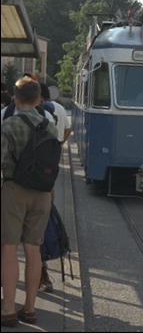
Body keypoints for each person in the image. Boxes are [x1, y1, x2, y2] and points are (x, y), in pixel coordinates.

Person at [1, 77, 58, 327]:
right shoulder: (50, 125)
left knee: (9, 247)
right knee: (33, 248)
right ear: (38, 99)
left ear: (15, 98)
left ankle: (8, 309)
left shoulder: (9, 125)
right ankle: (30, 308)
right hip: (43, 194)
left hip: (14, 190)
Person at [39, 83, 72, 293]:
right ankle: (43, 276)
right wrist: (60, 144)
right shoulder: (54, 113)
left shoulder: (9, 114)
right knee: (37, 234)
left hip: (13, 184)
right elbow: (67, 129)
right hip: (44, 179)